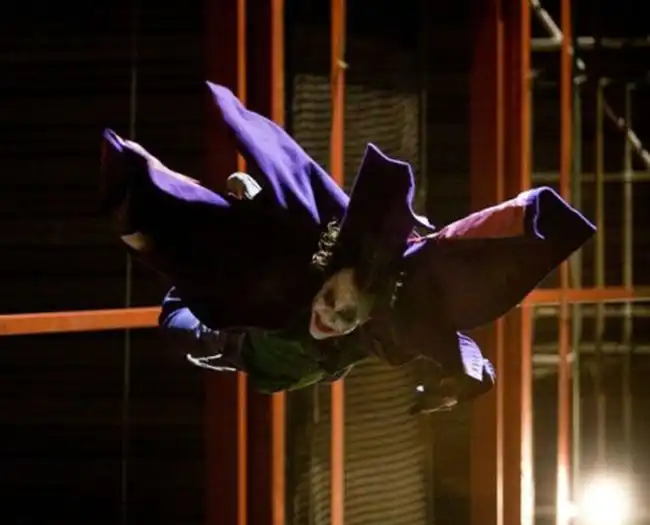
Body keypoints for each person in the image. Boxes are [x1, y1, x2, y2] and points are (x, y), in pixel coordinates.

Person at [99, 82, 596, 410]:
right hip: (260, 284)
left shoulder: (392, 316)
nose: (332, 317)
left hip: (251, 344)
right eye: (335, 303)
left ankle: (213, 213)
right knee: (203, 251)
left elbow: (455, 342)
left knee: (188, 318)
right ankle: (211, 203)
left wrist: (466, 377)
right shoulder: (324, 248)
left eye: (344, 315)